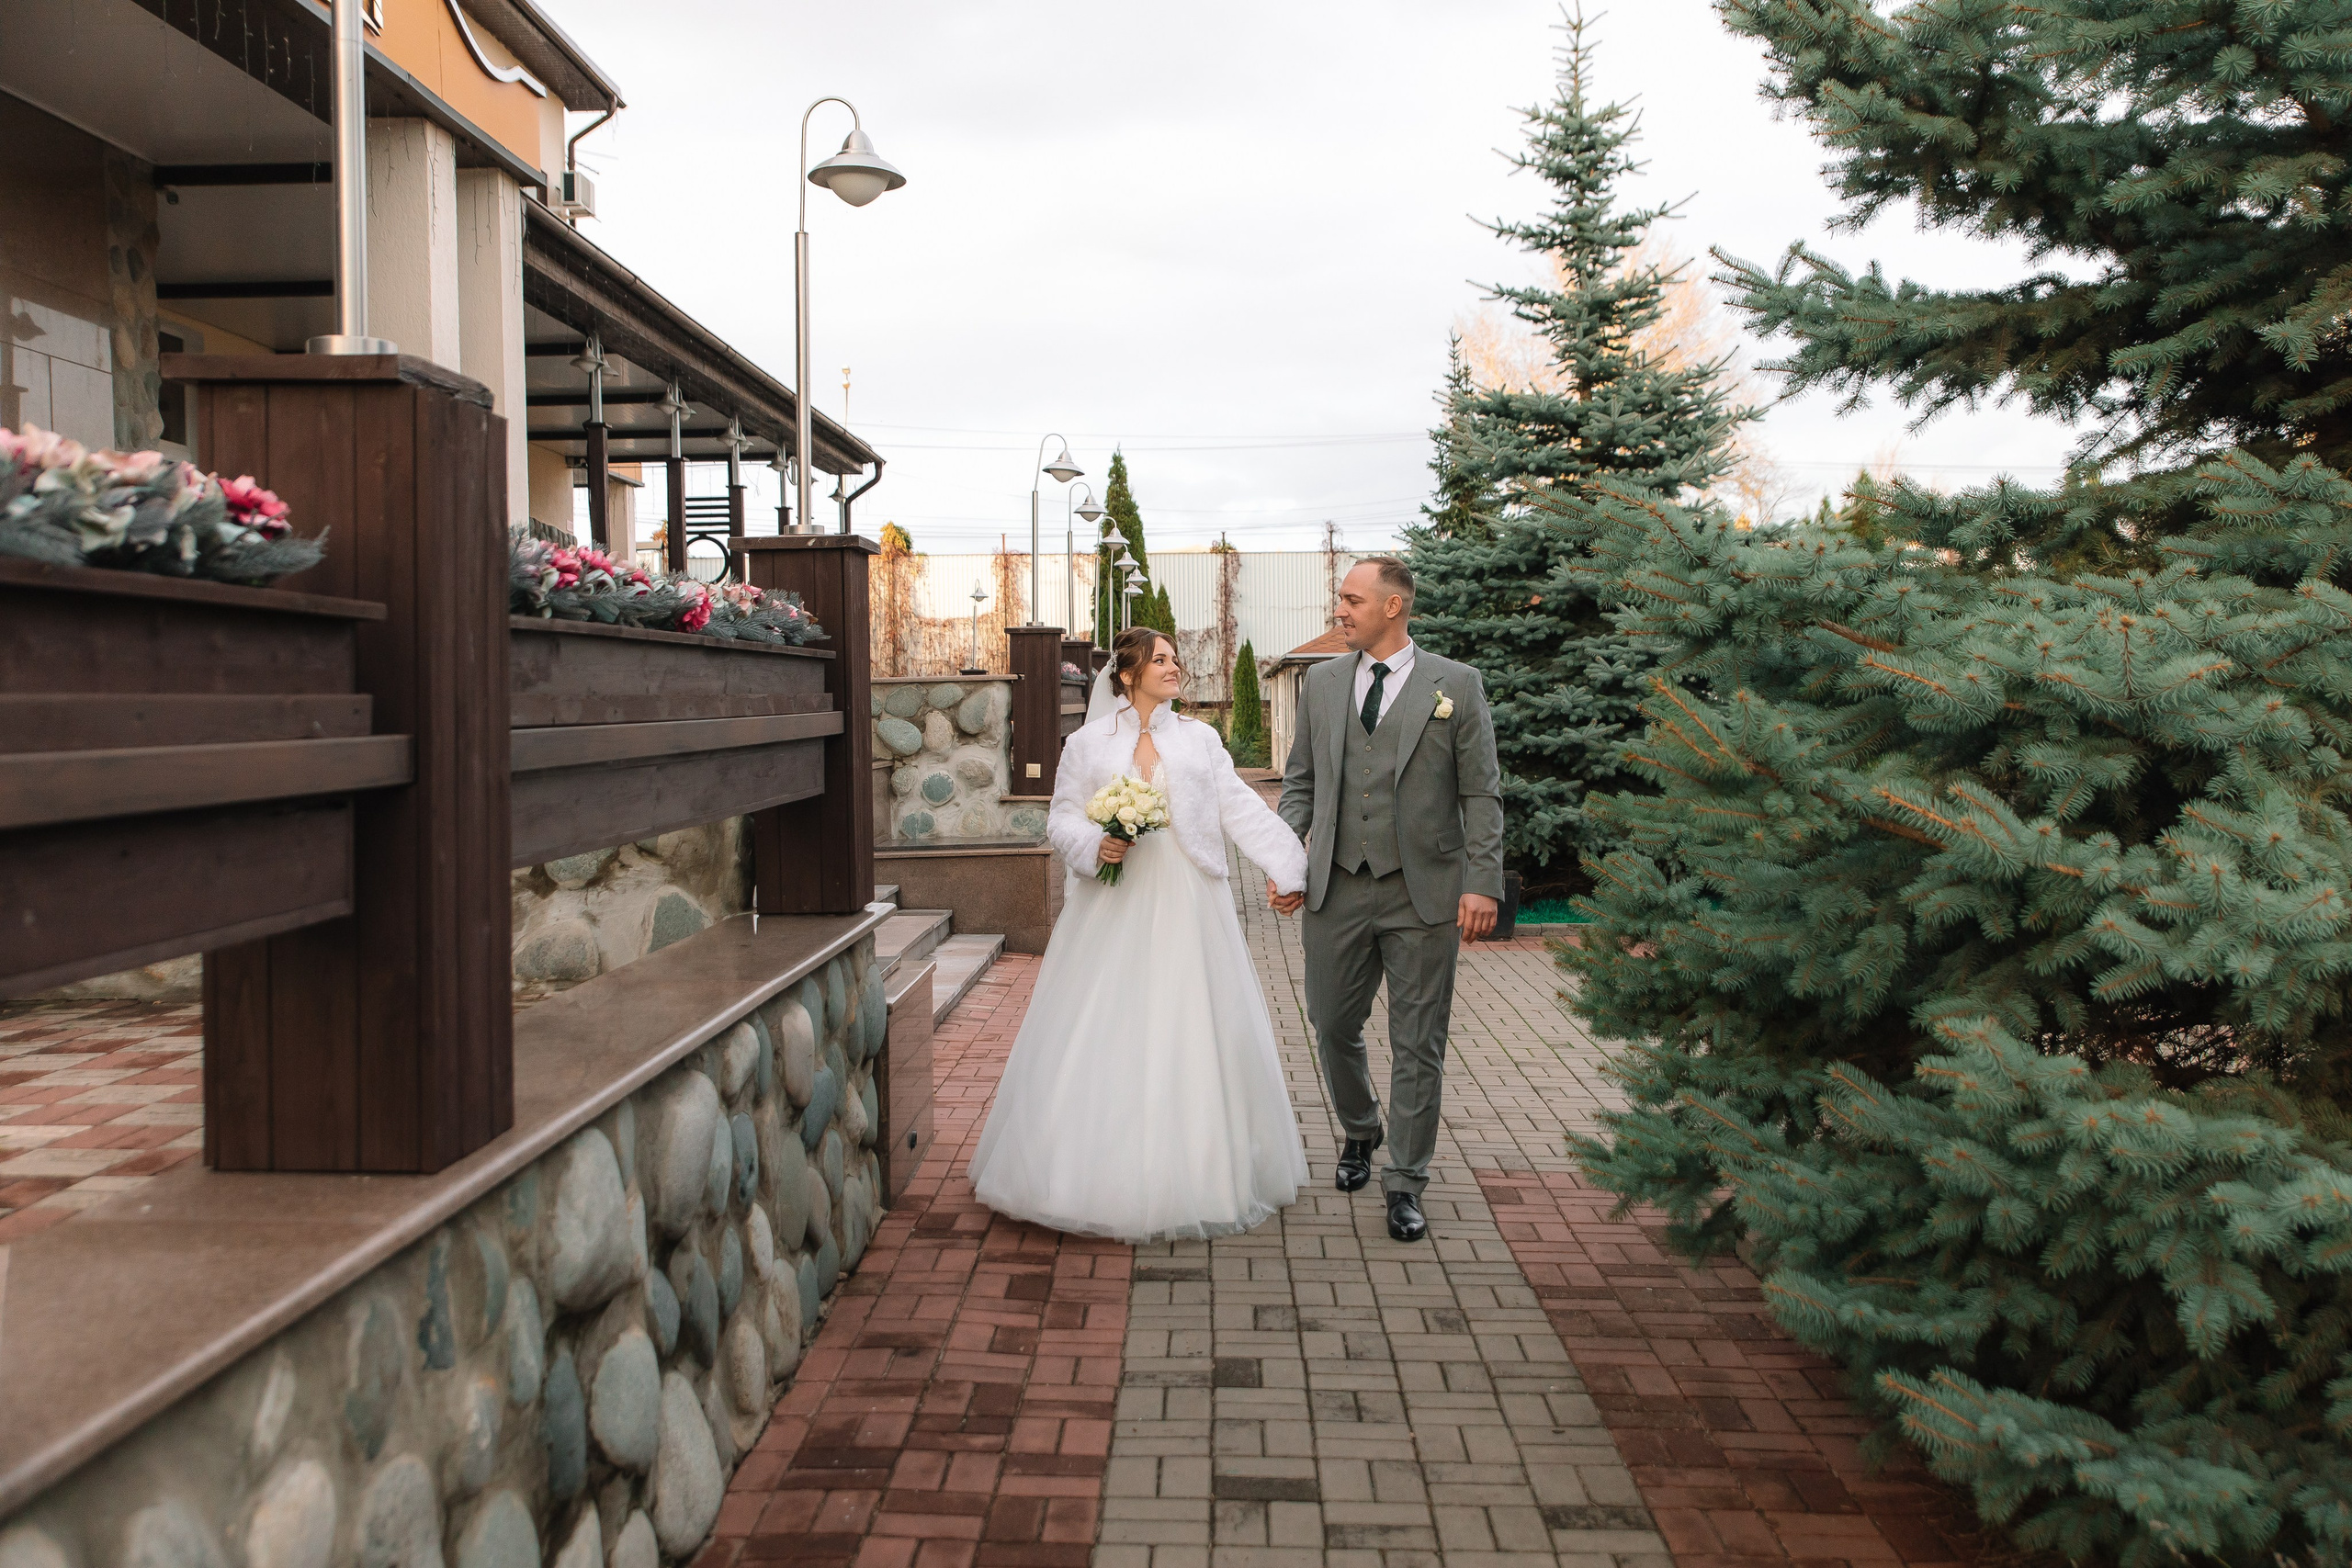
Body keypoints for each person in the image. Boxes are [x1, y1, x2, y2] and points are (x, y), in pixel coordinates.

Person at [967, 626, 1311, 1241]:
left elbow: (1239, 807)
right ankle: (1084, 1174)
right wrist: (1092, 844)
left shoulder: (1200, 740)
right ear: (1127, 675)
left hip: (1189, 900)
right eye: (1161, 660)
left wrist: (1289, 866)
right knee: (1107, 1021)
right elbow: (1061, 817)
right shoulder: (1087, 744)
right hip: (1113, 901)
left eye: (1175, 659)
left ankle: (1204, 1173)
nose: (1174, 667)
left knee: (1191, 1023)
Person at [1271, 557, 1504, 1242]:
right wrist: (1285, 859)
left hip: (1423, 891)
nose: (1339, 610)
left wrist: (1482, 880)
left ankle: (1405, 1179)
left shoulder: (1456, 684)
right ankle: (1361, 1127)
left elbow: (1480, 792)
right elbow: (1301, 783)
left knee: (1417, 1041)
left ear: (1393, 606)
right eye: (1341, 600)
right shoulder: (1322, 683)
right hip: (1336, 884)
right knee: (1331, 1024)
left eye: (1352, 599)